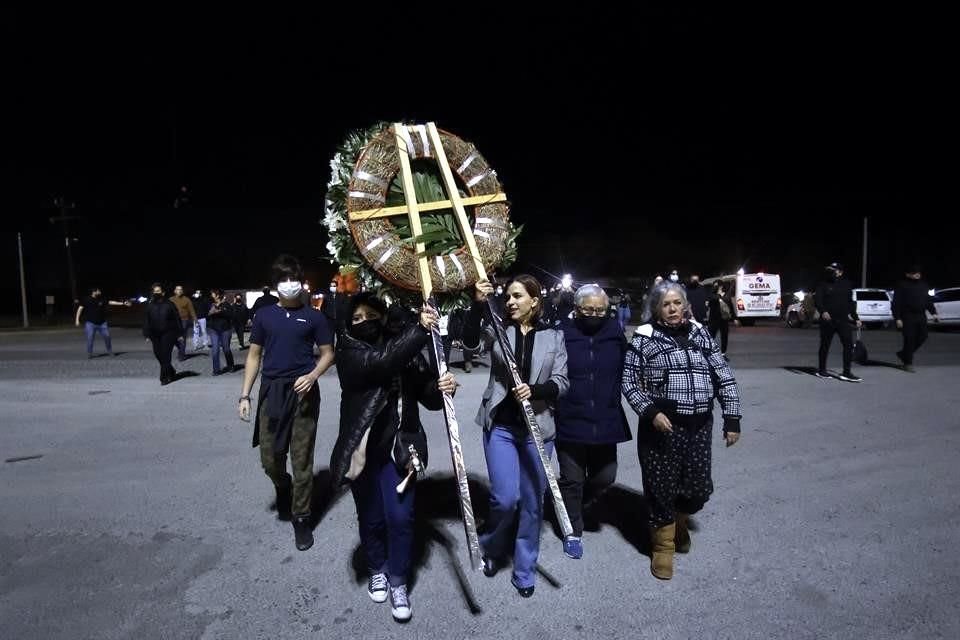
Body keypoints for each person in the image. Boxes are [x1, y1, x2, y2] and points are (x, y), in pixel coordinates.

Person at [329, 293, 456, 623]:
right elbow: (381, 363)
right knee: (371, 518)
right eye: (356, 318)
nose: (364, 322)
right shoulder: (348, 351)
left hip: (400, 450)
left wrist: (440, 387)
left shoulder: (405, 347)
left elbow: (426, 396)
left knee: (400, 519)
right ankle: (377, 568)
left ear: (383, 317)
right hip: (362, 452)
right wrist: (418, 330)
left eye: (371, 315)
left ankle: (398, 581)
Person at [622, 280, 742, 580]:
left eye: (677, 302)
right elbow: (629, 382)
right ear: (656, 308)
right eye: (666, 304)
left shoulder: (700, 333)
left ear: (685, 305)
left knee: (698, 488)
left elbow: (722, 375)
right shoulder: (644, 337)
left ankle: (680, 521)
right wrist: (651, 412)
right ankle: (663, 547)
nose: (673, 308)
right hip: (662, 427)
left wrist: (732, 418)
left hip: (700, 425)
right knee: (661, 487)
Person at [462, 275, 569, 598]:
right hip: (502, 428)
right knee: (505, 499)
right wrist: (477, 305)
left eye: (517, 296)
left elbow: (563, 382)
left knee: (533, 504)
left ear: (535, 300)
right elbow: (468, 340)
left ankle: (524, 569)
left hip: (538, 430)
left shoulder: (553, 337)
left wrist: (535, 390)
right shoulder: (498, 328)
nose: (510, 301)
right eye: (507, 296)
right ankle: (492, 548)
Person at [238, 255, 335, 552]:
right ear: (275, 285)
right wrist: (245, 394)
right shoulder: (265, 316)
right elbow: (254, 355)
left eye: (293, 278)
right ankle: (282, 485)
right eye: (283, 280)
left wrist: (313, 375)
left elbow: (329, 353)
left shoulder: (315, 317)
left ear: (301, 282)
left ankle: (302, 517)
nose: (289, 284)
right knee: (270, 459)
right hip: (272, 392)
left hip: (303, 393)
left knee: (301, 459)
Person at [555, 284, 631, 560]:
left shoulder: (614, 330)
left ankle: (575, 503)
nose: (595, 314)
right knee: (572, 479)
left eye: (601, 310)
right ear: (577, 309)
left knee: (605, 476)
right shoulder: (562, 331)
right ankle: (572, 529)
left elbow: (629, 364)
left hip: (605, 416)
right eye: (589, 309)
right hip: (570, 416)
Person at [814, 262, 862, 382]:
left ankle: (846, 372)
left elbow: (850, 302)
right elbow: (818, 300)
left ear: (840, 272)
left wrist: (856, 318)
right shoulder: (823, 284)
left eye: (833, 270)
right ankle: (822, 370)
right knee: (825, 345)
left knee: (848, 345)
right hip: (828, 320)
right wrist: (823, 311)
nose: (831, 272)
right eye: (830, 270)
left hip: (843, 320)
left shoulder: (846, 284)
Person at [892, 265, 939, 372]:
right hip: (907, 316)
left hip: (921, 316)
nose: (917, 274)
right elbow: (896, 303)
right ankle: (907, 363)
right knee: (909, 339)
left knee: (923, 336)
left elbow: (928, 301)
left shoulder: (924, 285)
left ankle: (904, 354)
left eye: (918, 272)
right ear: (907, 274)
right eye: (913, 272)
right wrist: (897, 318)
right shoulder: (901, 285)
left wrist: (934, 313)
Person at [142, 283, 182, 385]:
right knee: (158, 354)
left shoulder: (170, 304)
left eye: (158, 291)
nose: (156, 293)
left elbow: (177, 319)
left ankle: (164, 377)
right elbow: (147, 320)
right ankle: (171, 370)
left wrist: (180, 334)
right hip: (154, 334)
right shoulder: (150, 305)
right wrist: (146, 333)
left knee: (165, 354)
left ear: (163, 293)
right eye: (154, 291)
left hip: (168, 333)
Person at [75, 286, 129, 358]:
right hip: (90, 323)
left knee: (107, 337)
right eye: (98, 290)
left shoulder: (101, 299)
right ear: (94, 292)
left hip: (102, 323)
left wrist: (122, 303)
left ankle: (110, 351)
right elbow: (80, 309)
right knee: (90, 338)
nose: (100, 292)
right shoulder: (86, 299)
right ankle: (89, 353)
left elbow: (111, 302)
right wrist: (77, 320)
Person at [207, 289, 235, 376]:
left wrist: (221, 311)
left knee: (226, 349)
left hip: (225, 329)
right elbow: (206, 315)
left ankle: (230, 365)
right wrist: (210, 313)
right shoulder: (210, 304)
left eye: (213, 293)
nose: (211, 295)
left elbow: (231, 315)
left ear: (218, 295)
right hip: (213, 329)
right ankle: (216, 370)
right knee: (215, 350)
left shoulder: (226, 304)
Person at [707, 281, 735, 357]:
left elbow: (730, 306)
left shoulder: (726, 294)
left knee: (724, 336)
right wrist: (719, 294)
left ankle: (723, 353)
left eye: (717, 285)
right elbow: (712, 300)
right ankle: (710, 353)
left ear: (721, 286)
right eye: (714, 285)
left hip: (724, 319)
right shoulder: (712, 294)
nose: (715, 287)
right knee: (711, 336)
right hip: (714, 319)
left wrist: (734, 318)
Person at [169, 285, 197, 361]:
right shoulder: (170, 300)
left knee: (182, 338)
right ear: (175, 291)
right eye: (178, 289)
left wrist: (195, 320)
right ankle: (181, 349)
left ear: (183, 291)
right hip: (174, 321)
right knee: (173, 338)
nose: (179, 291)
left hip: (184, 320)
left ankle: (181, 355)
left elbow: (192, 310)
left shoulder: (187, 300)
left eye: (181, 289)